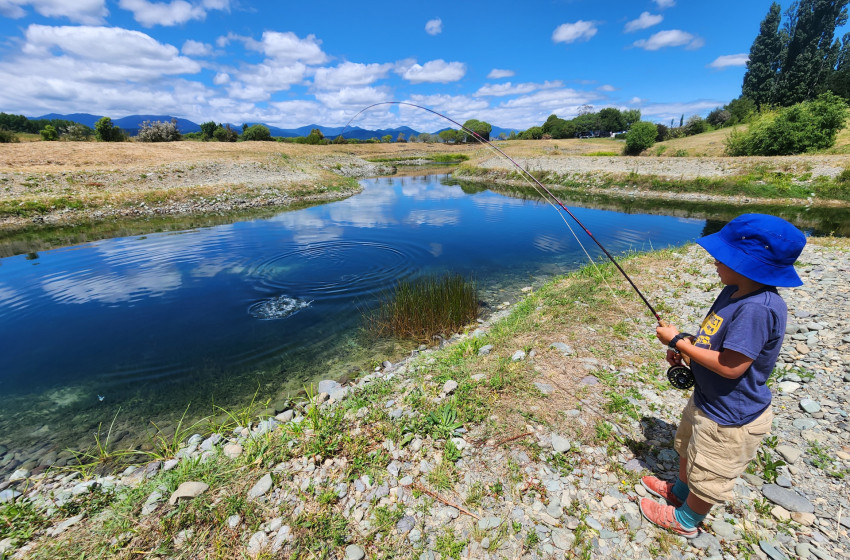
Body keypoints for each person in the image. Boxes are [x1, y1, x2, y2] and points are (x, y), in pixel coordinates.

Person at [639, 213, 807, 538]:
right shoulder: (733, 290)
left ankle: (687, 520)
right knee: (688, 449)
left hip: (730, 418)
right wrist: (688, 346)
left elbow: (732, 366)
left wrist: (674, 340)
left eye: (723, 256)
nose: (715, 260)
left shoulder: (759, 308)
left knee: (710, 472)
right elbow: (715, 341)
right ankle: (679, 492)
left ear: (748, 264)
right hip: (706, 401)